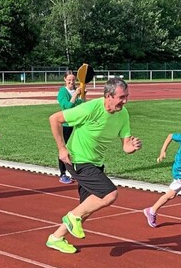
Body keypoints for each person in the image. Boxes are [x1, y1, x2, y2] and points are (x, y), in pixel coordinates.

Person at [45, 78, 142, 254]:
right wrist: (61, 148)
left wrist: (132, 147)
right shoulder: (91, 108)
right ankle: (71, 217)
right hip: (77, 159)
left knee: (86, 208)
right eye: (121, 97)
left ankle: (56, 237)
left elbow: (126, 146)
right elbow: (55, 119)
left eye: (127, 96)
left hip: (96, 163)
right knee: (109, 194)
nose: (125, 101)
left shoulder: (123, 114)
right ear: (108, 96)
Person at [56, 69, 84, 184]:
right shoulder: (63, 92)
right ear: (65, 80)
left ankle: (74, 172)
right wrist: (75, 95)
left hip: (77, 124)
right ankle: (63, 173)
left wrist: (83, 96)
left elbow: (83, 105)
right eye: (69, 80)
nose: (71, 82)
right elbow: (67, 107)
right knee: (65, 148)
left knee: (77, 149)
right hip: (67, 124)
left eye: (73, 80)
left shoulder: (78, 90)